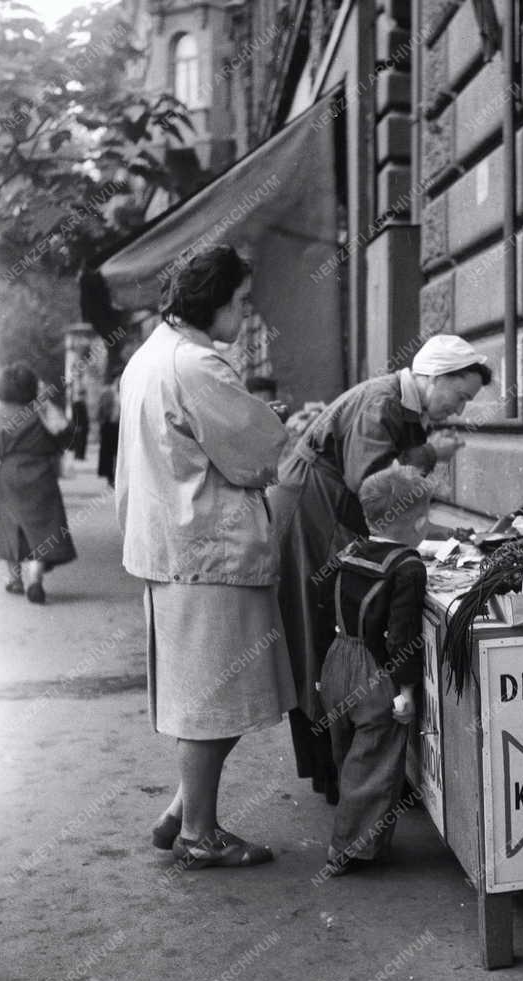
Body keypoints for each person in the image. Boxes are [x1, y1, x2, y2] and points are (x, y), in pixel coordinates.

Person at [116, 245, 295, 869]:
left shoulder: (148, 357)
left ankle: (181, 811)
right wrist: (281, 428)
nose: (246, 314)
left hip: (171, 545)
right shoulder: (197, 365)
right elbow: (259, 455)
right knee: (214, 700)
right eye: (242, 301)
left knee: (212, 694)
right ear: (214, 299)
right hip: (206, 550)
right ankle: (198, 831)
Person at [268, 333, 491, 802]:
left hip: (325, 509)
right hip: (314, 513)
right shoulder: (382, 401)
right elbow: (373, 484)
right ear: (435, 377)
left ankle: (348, 772)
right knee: (322, 638)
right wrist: (434, 455)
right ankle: (337, 777)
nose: (461, 409)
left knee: (333, 633)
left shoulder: (402, 405)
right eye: (461, 395)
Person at [319, 465, 430, 875]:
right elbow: (401, 637)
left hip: (337, 660)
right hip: (374, 673)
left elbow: (323, 607)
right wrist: (407, 691)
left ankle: (353, 835)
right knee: (374, 763)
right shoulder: (408, 567)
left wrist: (322, 672)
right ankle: (347, 849)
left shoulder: (348, 554)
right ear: (419, 522)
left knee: (347, 754)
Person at [0, 363, 76, 604]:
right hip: (42, 476)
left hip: (9, 477)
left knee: (10, 527)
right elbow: (67, 436)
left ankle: (15, 579)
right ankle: (35, 580)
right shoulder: (42, 410)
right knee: (43, 530)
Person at [96, 371, 120, 487]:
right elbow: (100, 409)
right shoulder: (107, 393)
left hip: (119, 426)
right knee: (108, 453)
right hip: (108, 425)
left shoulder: (124, 392)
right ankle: (110, 476)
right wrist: (101, 423)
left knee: (119, 453)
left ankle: (117, 476)